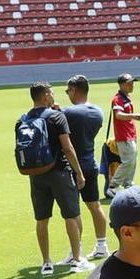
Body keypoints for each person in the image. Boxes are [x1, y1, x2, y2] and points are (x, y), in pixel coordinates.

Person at [18, 82, 89, 275]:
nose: (53, 96)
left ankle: (46, 262)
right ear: (45, 96)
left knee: (42, 219)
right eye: (51, 93)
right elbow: (67, 147)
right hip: (59, 172)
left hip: (36, 175)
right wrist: (79, 172)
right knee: (71, 215)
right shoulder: (57, 117)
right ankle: (76, 259)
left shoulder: (23, 119)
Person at [59, 76, 112, 261]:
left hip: (71, 166)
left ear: (74, 90)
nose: (67, 95)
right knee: (95, 206)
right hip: (90, 163)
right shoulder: (97, 112)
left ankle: (76, 251)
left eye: (68, 91)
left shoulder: (68, 113)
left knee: (73, 211)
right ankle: (101, 245)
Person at [108, 73, 140, 192]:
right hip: (124, 135)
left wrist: (138, 116)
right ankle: (113, 186)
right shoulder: (118, 99)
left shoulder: (126, 97)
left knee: (132, 160)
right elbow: (119, 115)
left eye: (132, 83)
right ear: (121, 85)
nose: (132, 85)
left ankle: (128, 184)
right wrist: (135, 116)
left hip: (130, 134)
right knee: (128, 161)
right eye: (129, 83)